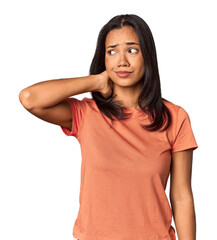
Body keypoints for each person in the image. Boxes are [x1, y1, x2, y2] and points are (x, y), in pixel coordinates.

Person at [19, 14, 198, 240]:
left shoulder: (174, 117)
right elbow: (29, 98)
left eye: (132, 50)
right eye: (112, 51)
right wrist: (95, 81)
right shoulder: (87, 114)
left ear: (148, 55)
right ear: (103, 58)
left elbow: (181, 195)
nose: (121, 61)